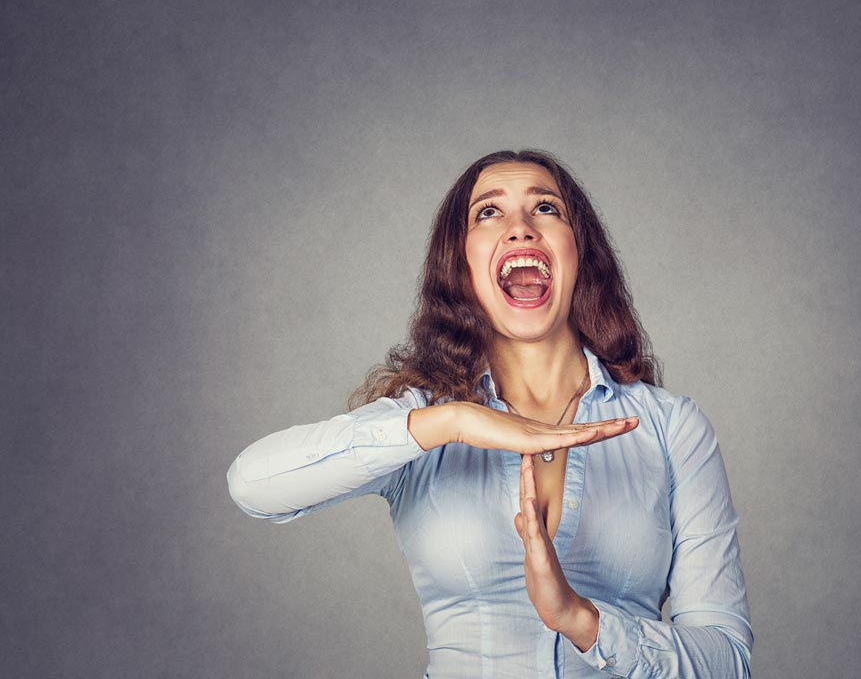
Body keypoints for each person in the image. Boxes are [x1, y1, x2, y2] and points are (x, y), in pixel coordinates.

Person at [227, 150, 753, 677]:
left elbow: (728, 660)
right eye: (488, 212)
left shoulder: (672, 427)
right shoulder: (426, 423)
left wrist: (580, 619)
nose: (521, 228)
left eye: (546, 209)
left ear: (579, 254)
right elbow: (253, 485)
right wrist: (453, 421)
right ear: (461, 263)